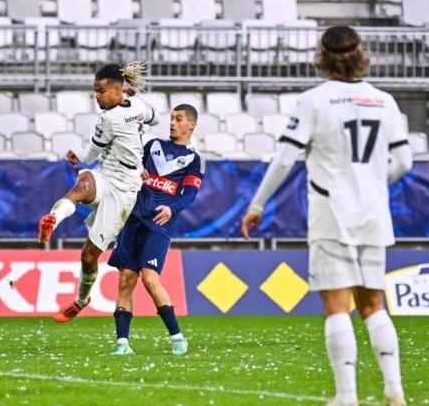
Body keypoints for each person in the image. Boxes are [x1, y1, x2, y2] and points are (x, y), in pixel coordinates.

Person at [241, 26, 412, 406]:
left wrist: (257, 205)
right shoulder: (384, 101)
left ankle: (346, 397)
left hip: (332, 213)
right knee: (373, 305)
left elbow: (286, 158)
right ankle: (394, 390)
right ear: (360, 54)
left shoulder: (314, 101)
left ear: (322, 56)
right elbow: (404, 161)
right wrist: (371, 182)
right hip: (372, 213)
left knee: (337, 306)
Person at [37, 62, 160, 323]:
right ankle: (52, 220)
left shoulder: (109, 119)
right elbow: (155, 118)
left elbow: (89, 155)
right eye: (95, 91)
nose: (97, 96)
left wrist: (75, 155)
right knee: (82, 184)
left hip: (125, 189)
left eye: (101, 91)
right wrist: (135, 100)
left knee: (89, 255)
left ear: (117, 90)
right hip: (107, 174)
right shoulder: (135, 106)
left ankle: (81, 301)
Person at [108, 103, 204, 356]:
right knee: (126, 279)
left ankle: (177, 338)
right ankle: (122, 343)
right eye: (172, 118)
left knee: (150, 279)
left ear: (192, 124)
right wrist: (135, 173)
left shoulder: (194, 159)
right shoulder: (152, 146)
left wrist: (173, 209)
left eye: (179, 119)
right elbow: (130, 167)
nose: (173, 122)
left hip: (159, 225)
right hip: (132, 220)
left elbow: (190, 194)